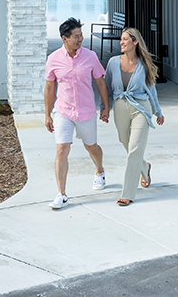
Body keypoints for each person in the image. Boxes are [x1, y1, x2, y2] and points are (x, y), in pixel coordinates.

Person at [44, 17, 111, 210]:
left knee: (92, 147)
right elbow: (49, 88)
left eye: (81, 35)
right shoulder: (54, 59)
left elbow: (100, 83)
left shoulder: (90, 56)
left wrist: (106, 107)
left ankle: (99, 171)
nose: (80, 39)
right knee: (61, 150)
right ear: (64, 38)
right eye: (76, 36)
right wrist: (48, 114)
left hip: (86, 110)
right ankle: (62, 194)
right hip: (63, 111)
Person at [105, 27, 164, 206]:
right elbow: (106, 87)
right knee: (126, 142)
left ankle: (128, 193)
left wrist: (158, 112)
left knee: (135, 149)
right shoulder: (113, 62)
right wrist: (104, 108)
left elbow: (151, 90)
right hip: (120, 107)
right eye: (121, 39)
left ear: (135, 42)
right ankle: (145, 167)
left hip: (141, 108)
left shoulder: (144, 65)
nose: (121, 42)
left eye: (125, 39)